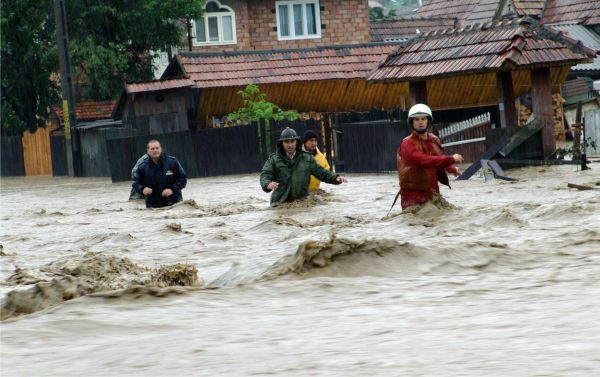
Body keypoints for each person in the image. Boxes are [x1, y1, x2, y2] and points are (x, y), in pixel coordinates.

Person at [396, 104, 464, 210]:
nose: (420, 122)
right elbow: (424, 161)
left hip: (432, 193)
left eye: (423, 119)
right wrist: (451, 159)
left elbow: (438, 160)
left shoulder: (434, 139)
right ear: (412, 122)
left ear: (428, 120)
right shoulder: (407, 144)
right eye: (417, 119)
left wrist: (451, 169)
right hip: (413, 198)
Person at [260, 127, 347, 207]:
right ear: (281, 143)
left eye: (292, 141)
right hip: (279, 203)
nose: (290, 145)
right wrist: (267, 184)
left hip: (302, 202)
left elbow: (322, 173)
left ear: (297, 142)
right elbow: (265, 175)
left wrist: (336, 177)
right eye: (286, 142)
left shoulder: (307, 158)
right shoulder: (273, 160)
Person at [132, 140, 187, 208]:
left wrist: (172, 190)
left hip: (174, 204)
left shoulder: (172, 162)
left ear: (160, 149)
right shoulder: (142, 166)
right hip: (153, 207)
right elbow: (135, 183)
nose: (155, 150)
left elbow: (183, 179)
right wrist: (142, 189)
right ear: (148, 151)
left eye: (157, 148)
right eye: (152, 149)